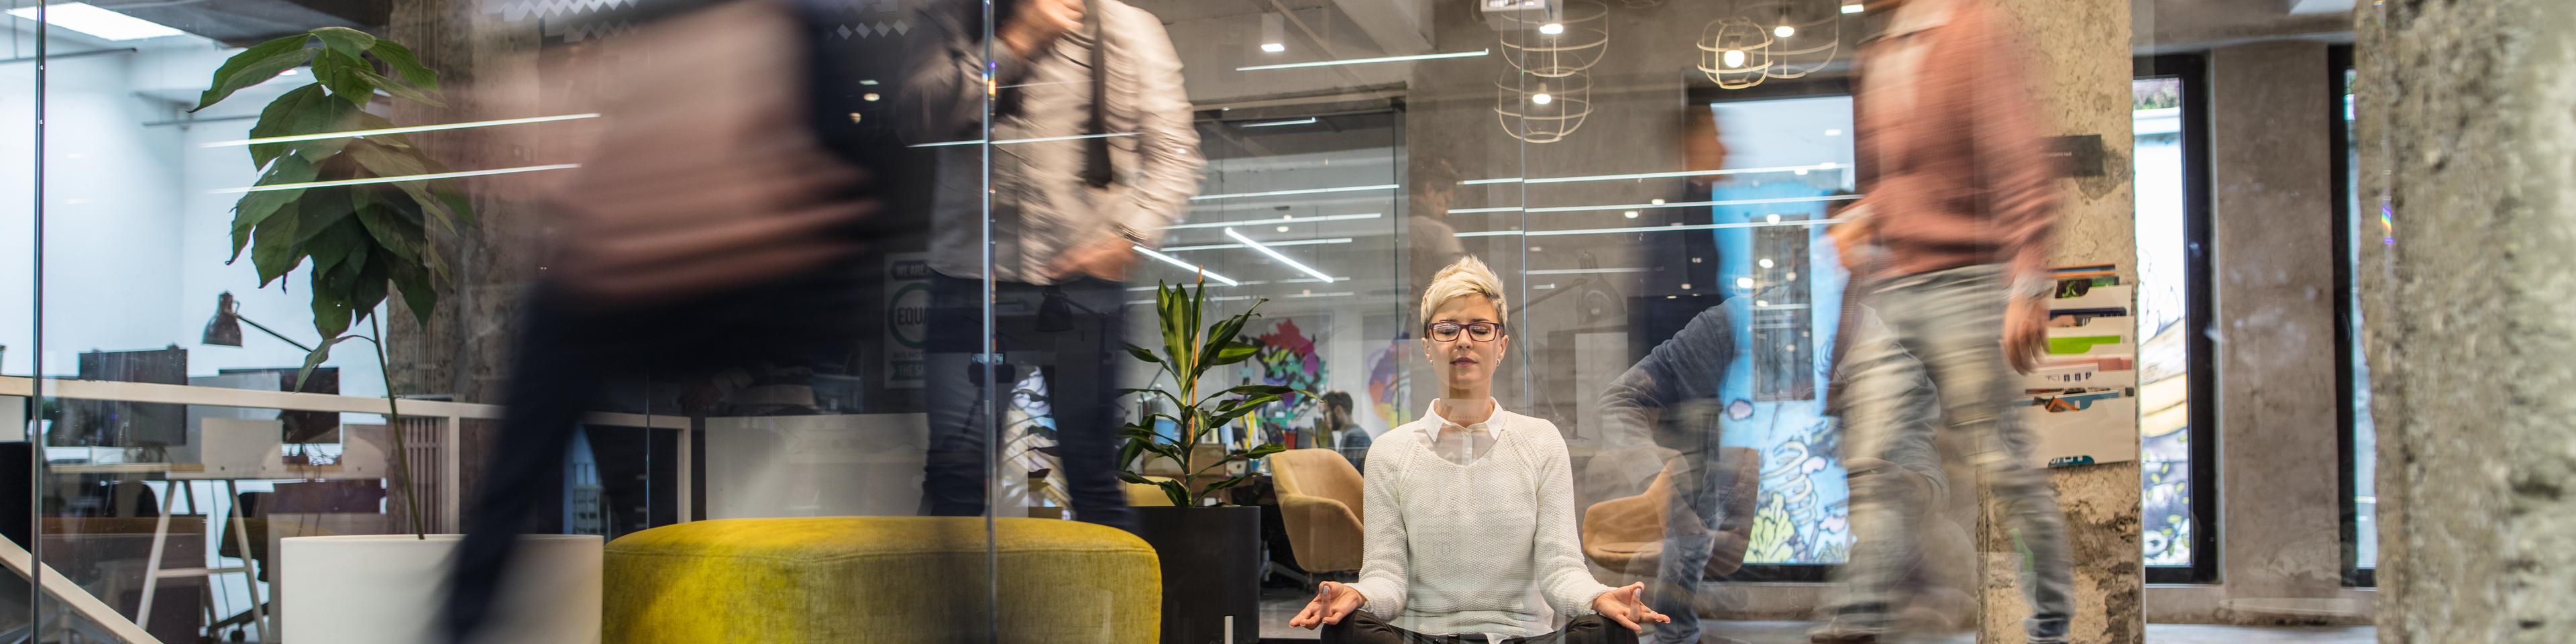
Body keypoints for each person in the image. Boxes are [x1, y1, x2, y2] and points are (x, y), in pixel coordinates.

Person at [1812, 0, 2068, 642]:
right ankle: (1864, 614)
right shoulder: (1877, 56)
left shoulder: (1971, 31)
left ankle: (2051, 621)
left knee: (2002, 464)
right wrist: (1865, 215)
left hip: (1968, 279)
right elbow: (1898, 179)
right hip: (1896, 285)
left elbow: (2021, 162)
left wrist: (2028, 278)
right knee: (1872, 459)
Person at [901, 0, 1202, 531]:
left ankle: (1119, 618)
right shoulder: (952, 17)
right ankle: (949, 617)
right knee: (954, 482)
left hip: (1085, 289)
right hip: (971, 286)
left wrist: (1129, 235)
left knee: (1093, 478)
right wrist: (1014, 42)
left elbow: (1175, 154)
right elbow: (917, 119)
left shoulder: (1130, 31)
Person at [1290, 256, 1668, 644]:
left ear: (1501, 345)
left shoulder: (1541, 440)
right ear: (1427, 347)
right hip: (1423, 637)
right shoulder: (1390, 451)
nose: (1464, 341)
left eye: (1480, 329)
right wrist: (1359, 594)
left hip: (1520, 638)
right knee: (1346, 631)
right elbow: (1387, 576)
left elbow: (1561, 569)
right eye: (1447, 329)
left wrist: (1600, 596)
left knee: (1611, 631)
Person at [1318, 391, 1373, 473]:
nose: (1325, 419)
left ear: (1338, 410)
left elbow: (1342, 476)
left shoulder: (1352, 436)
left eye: (1325, 413)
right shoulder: (1357, 433)